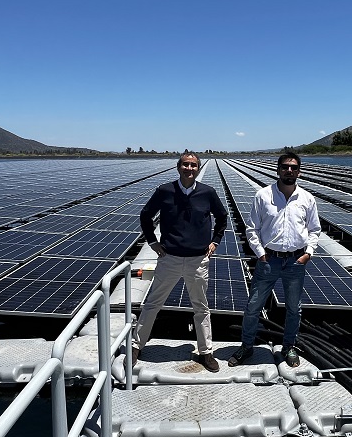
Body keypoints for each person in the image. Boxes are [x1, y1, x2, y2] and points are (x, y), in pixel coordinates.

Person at [134, 150, 228, 371]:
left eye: (193, 165)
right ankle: (137, 345)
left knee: (201, 307)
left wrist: (215, 240)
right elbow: (145, 215)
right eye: (185, 165)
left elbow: (222, 217)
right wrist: (152, 242)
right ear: (179, 167)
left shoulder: (208, 193)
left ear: (198, 168)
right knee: (152, 304)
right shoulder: (165, 191)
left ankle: (206, 352)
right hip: (170, 258)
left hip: (198, 260)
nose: (189, 169)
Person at [231, 150, 321, 368]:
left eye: (294, 167)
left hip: (296, 260)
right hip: (268, 260)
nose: (289, 170)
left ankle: (288, 346)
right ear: (278, 169)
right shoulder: (263, 196)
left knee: (294, 308)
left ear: (299, 172)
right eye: (285, 167)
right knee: (254, 305)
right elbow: (252, 228)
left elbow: (315, 230)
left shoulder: (307, 198)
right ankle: (247, 346)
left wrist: (308, 253)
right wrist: (260, 254)